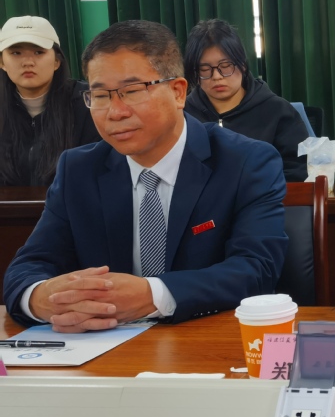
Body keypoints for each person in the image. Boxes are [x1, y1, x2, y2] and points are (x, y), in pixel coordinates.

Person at [3, 20, 287, 331]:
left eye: (132, 91)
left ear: (178, 92)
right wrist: (41, 298)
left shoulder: (246, 162)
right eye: (100, 96)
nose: (115, 112)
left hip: (207, 340)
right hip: (102, 347)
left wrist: (153, 295)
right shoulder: (78, 169)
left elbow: (256, 269)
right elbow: (29, 266)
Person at [183, 19, 309, 181]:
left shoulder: (278, 112)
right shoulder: (182, 115)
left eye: (225, 66)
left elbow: (298, 172)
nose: (217, 76)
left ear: (242, 65)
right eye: (205, 69)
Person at [0, 16, 100, 186]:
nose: (28, 62)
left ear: (56, 61)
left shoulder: (88, 102)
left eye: (39, 52)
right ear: (2, 62)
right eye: (16, 53)